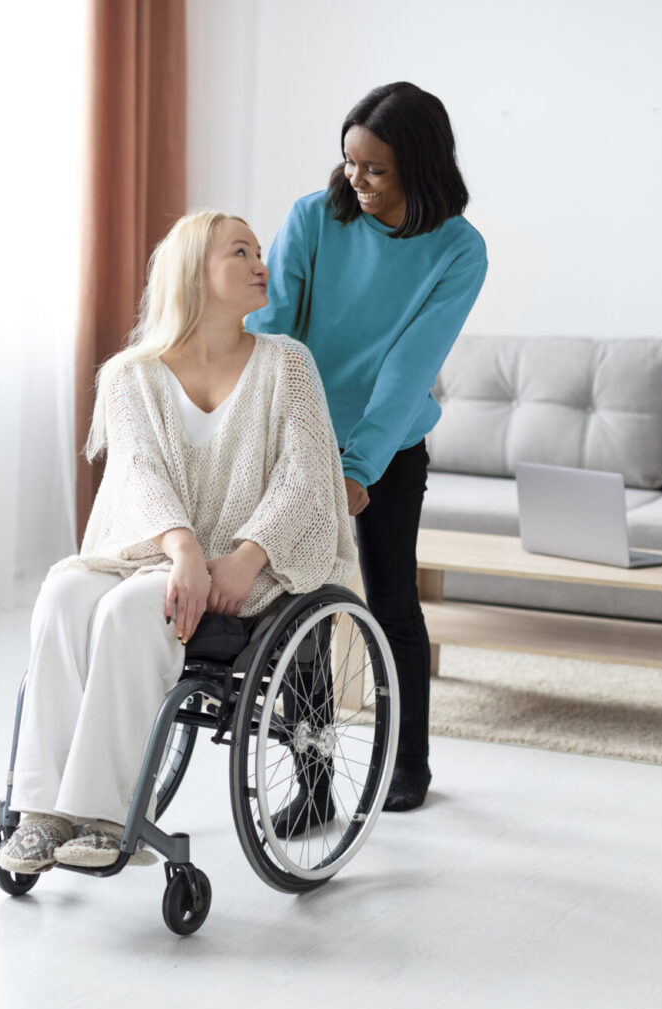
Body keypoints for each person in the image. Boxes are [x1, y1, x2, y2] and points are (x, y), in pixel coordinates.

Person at [0, 211, 356, 873]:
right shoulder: (130, 374)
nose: (261, 264)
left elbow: (305, 476)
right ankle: (42, 812)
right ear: (192, 271)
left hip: (253, 570)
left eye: (258, 252)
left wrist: (245, 556)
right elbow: (137, 473)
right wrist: (184, 551)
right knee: (65, 590)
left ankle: (105, 817)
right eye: (240, 252)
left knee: (133, 608)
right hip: (154, 551)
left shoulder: (287, 365)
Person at [246, 82, 487, 812]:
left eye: (375, 168)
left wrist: (357, 469)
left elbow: (408, 369)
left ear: (419, 164)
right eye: (349, 161)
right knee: (300, 606)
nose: (356, 179)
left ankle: (407, 765)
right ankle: (314, 783)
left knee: (390, 600)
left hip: (387, 446)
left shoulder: (457, 250)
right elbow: (271, 326)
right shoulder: (314, 217)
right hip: (299, 434)